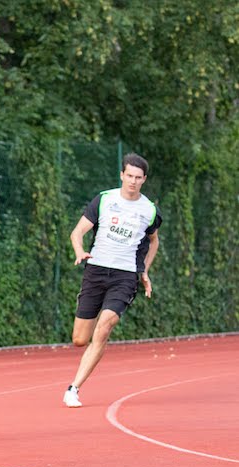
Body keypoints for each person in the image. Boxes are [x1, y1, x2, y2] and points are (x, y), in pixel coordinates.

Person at [63, 153, 161, 408]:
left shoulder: (149, 210)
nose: (133, 181)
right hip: (95, 270)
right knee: (79, 339)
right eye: (129, 176)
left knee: (105, 326)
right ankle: (89, 333)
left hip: (125, 275)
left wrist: (144, 271)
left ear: (144, 180)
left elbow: (153, 241)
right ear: (122, 175)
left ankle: (73, 388)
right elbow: (77, 232)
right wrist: (79, 251)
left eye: (138, 178)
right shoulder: (104, 200)